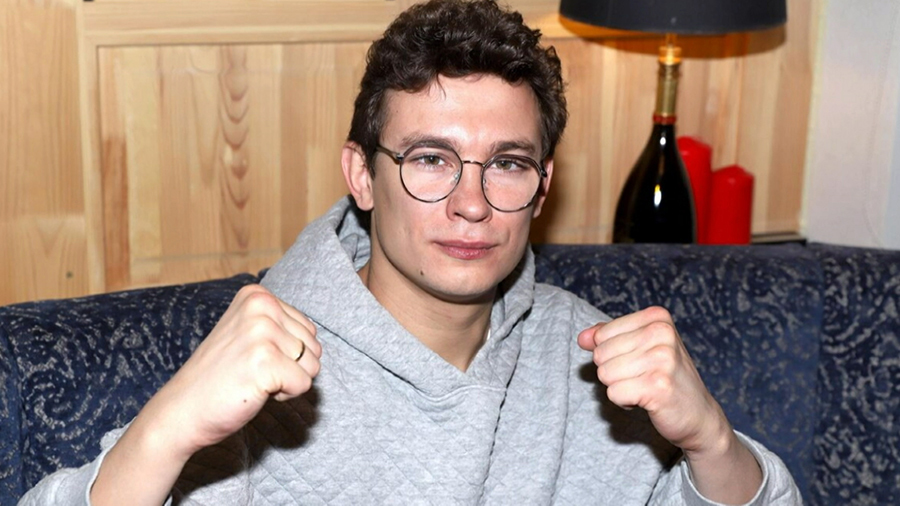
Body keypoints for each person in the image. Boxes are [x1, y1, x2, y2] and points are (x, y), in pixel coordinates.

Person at [21, 0, 801, 504]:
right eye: (430, 159)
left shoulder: (593, 358)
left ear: (542, 187)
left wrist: (711, 438)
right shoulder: (262, 372)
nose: (472, 203)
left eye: (507, 163)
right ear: (362, 175)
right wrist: (165, 429)